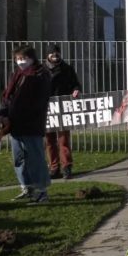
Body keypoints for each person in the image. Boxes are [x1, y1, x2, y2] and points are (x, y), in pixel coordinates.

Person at [0, 45, 53, 204]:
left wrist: (17, 115)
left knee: (35, 158)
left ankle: (41, 190)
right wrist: (3, 114)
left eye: (24, 58)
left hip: (31, 123)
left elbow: (37, 102)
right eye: (18, 59)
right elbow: (7, 97)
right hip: (15, 124)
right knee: (19, 158)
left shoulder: (40, 75)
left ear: (32, 58)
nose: (21, 62)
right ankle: (26, 186)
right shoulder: (16, 74)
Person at [43, 44, 81, 180]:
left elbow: (75, 84)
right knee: (49, 140)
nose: (55, 55)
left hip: (63, 109)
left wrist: (76, 90)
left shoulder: (67, 69)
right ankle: (54, 168)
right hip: (47, 110)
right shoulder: (41, 70)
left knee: (63, 139)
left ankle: (66, 167)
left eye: (57, 53)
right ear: (47, 55)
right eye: (52, 53)